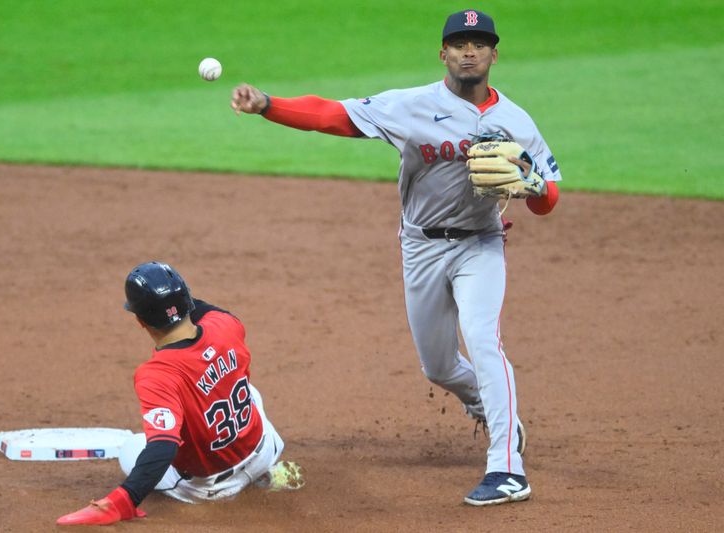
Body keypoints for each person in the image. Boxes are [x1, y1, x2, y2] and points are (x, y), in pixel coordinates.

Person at [230, 9, 561, 506]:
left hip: (480, 243)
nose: (469, 51)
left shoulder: (516, 121)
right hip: (421, 246)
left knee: (483, 340)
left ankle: (507, 467)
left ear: (494, 53)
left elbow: (548, 199)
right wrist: (268, 105)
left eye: (479, 42)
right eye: (459, 43)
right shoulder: (410, 105)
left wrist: (533, 183)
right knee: (439, 366)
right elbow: (333, 116)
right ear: (443, 53)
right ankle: (492, 409)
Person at [57, 261, 303, 526]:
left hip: (214, 487)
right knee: (247, 390)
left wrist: (123, 500)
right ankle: (266, 475)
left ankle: (232, 487)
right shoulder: (226, 325)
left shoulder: (156, 374)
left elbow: (163, 446)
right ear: (187, 300)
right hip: (266, 448)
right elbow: (200, 309)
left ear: (140, 321)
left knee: (132, 449)